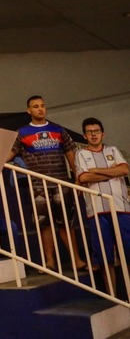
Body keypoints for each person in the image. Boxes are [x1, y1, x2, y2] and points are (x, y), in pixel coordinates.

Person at [7, 95, 87, 272]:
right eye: (35, 106)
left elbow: (71, 155)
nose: (40, 109)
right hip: (38, 185)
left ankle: (77, 260)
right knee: (44, 224)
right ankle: (50, 262)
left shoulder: (58, 129)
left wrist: (77, 178)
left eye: (42, 106)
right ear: (29, 110)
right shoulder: (22, 132)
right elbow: (9, 154)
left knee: (66, 223)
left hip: (61, 183)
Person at [75, 118, 130, 288]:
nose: (94, 135)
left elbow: (124, 169)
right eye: (90, 132)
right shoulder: (81, 154)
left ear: (103, 133)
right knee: (106, 258)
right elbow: (84, 177)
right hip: (97, 212)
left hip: (121, 208)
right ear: (85, 135)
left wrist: (97, 170)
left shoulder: (113, 150)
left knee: (128, 253)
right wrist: (112, 172)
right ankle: (113, 297)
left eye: (96, 131)